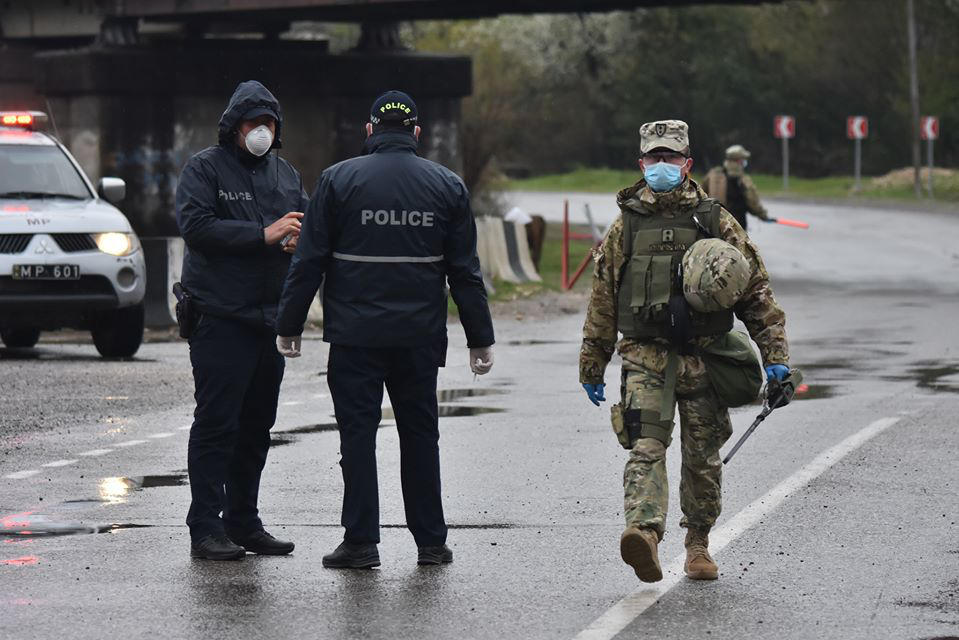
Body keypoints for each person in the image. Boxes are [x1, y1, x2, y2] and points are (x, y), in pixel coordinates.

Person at [274, 90, 495, 568]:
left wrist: (289, 324)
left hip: (355, 339)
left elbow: (308, 262)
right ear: (417, 133)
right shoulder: (448, 185)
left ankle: (361, 543)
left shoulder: (337, 181)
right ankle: (431, 543)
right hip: (418, 338)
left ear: (370, 131)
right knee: (421, 436)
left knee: (357, 436)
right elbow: (465, 271)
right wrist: (480, 338)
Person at [579, 120, 790, 582]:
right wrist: (592, 360)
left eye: (670, 158)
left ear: (687, 163)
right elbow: (603, 298)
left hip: (704, 356)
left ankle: (698, 544)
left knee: (702, 457)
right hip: (644, 356)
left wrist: (776, 356)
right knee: (646, 448)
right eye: (653, 158)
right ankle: (644, 534)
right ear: (641, 163)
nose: (661, 166)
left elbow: (755, 290)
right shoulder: (627, 225)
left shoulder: (715, 219)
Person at [175, 80, 308, 560]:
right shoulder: (204, 169)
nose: (262, 132)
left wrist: (298, 240)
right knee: (217, 424)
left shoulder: (286, 174)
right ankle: (205, 528)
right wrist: (263, 234)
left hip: (267, 322)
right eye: (253, 123)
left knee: (256, 426)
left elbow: (303, 228)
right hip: (219, 317)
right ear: (234, 127)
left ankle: (244, 522)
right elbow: (196, 227)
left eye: (269, 124)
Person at [702, 144, 770, 232]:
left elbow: (701, 194)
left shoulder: (714, 174)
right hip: (737, 227)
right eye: (743, 160)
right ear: (739, 161)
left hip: (715, 224)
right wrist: (763, 216)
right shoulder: (743, 180)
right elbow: (753, 203)